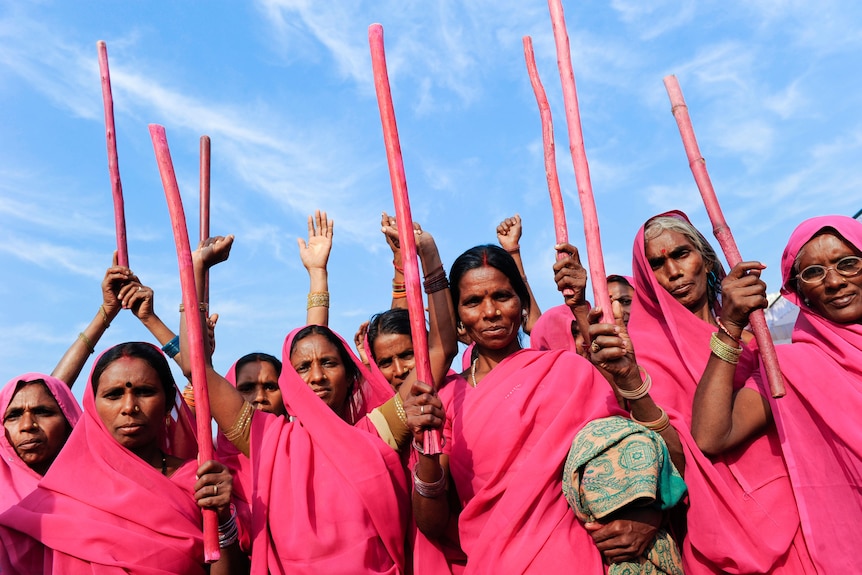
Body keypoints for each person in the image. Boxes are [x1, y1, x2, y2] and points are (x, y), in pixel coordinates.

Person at [405, 244, 665, 573]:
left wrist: (646, 514)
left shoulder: (569, 370)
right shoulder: (446, 399)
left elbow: (627, 450)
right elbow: (431, 523)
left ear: (522, 303)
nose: (490, 312)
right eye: (473, 301)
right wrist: (425, 449)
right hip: (492, 561)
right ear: (457, 316)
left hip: (575, 556)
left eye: (502, 296)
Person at [603, 211, 813, 574]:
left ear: (707, 259)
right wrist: (633, 387)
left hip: (795, 514)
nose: (673, 271)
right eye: (657, 263)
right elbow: (677, 458)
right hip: (711, 532)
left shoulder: (756, 340)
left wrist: (736, 329)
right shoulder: (637, 356)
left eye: (682, 254)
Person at [188, 233, 410, 574]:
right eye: (302, 369)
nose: (316, 377)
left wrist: (417, 268)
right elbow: (197, 368)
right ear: (291, 382)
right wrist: (196, 273)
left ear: (351, 375)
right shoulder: (268, 442)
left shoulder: (376, 432)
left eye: (330, 365)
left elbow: (427, 358)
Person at [692, 215, 862, 573]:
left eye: (848, 263)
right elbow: (712, 434)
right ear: (799, 293)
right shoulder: (789, 367)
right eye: (814, 273)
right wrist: (732, 325)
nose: (834, 281)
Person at [0, 342, 245, 574]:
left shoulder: (201, 481)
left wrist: (222, 520)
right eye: (114, 394)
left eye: (144, 392)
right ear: (92, 404)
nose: (129, 407)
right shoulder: (60, 496)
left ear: (169, 400)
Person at [362, 217, 457, 391]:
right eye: (385, 363)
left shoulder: (455, 393)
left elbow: (442, 348)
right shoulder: (379, 412)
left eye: (407, 355)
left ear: (427, 344)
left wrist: (422, 254)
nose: (399, 371)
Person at [1, 374, 81, 513]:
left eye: (42, 412)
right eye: (14, 415)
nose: (27, 425)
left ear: (69, 420)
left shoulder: (101, 487)